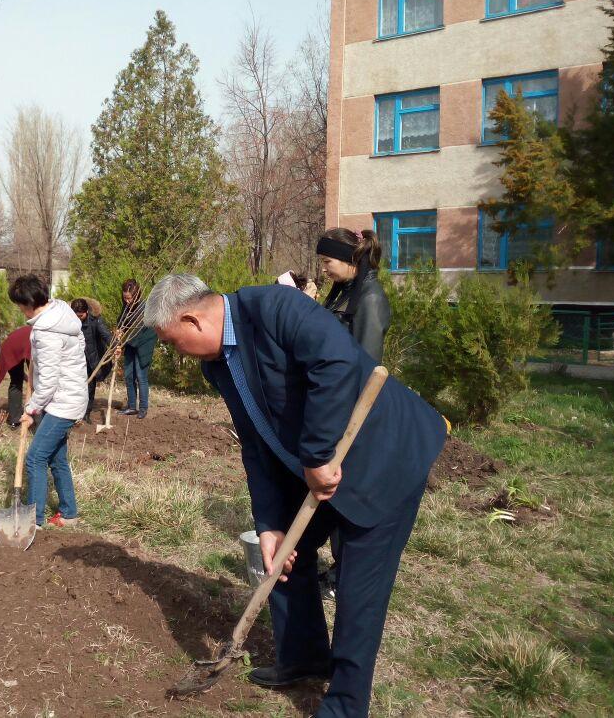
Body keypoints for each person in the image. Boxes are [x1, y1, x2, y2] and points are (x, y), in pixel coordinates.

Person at [144, 274, 446, 718]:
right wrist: (268, 523)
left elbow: (337, 363)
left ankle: (345, 705)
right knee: (285, 553)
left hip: (383, 455)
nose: (176, 353)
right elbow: (255, 442)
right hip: (318, 469)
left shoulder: (275, 308)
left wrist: (319, 455)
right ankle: (304, 657)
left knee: (359, 589)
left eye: (173, 342)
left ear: (192, 320)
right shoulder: (218, 365)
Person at [8, 275, 87, 528]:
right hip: (69, 396)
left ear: (29, 303)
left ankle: (34, 520)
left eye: (20, 304)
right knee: (56, 458)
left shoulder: (47, 330)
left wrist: (31, 408)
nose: (20, 309)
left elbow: (50, 380)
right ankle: (69, 513)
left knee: (35, 458)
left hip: (62, 402)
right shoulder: (63, 313)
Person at [317, 229, 391, 363]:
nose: (323, 268)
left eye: (327, 261)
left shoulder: (371, 298)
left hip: (346, 382)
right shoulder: (347, 291)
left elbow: (368, 362)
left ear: (349, 259)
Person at [115, 279, 157, 419]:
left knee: (141, 376)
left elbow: (142, 330)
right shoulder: (126, 307)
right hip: (131, 344)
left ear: (136, 295)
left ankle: (143, 408)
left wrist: (124, 339)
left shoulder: (144, 308)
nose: (127, 301)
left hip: (143, 345)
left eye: (129, 298)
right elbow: (121, 322)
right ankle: (132, 406)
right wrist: (119, 331)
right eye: (124, 298)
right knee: (128, 376)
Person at [71, 298, 112, 424]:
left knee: (89, 387)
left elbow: (106, 335)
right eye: (76, 316)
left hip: (92, 360)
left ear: (87, 312)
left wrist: (115, 346)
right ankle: (72, 413)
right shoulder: (68, 321)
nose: (79, 319)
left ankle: (86, 414)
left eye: (81, 316)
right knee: (74, 387)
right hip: (75, 360)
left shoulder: (96, 321)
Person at [0, 325, 32, 429]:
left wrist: (29, 378)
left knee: (18, 381)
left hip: (12, 347)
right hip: (11, 350)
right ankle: (15, 420)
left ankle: (16, 420)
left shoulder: (35, 332)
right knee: (17, 382)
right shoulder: (40, 336)